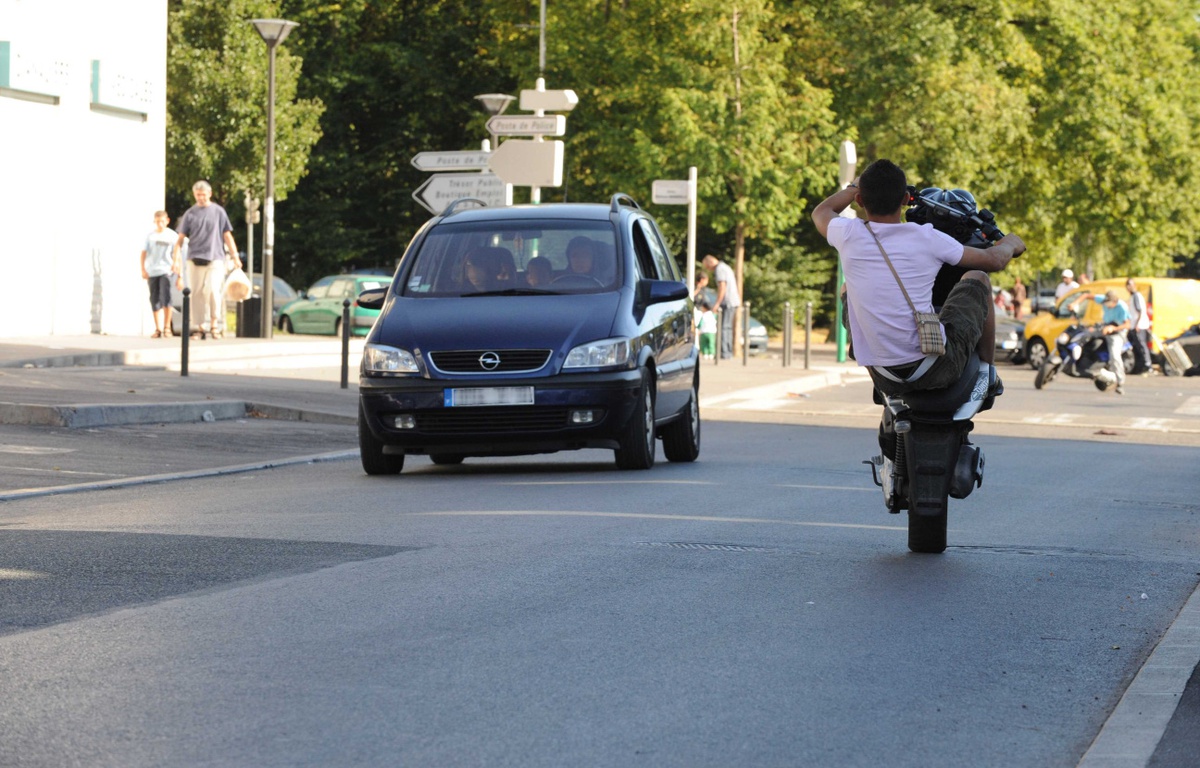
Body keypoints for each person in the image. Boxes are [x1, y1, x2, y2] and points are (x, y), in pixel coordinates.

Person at [811, 159, 1026, 396]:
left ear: (860, 200)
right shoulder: (926, 237)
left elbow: (821, 212)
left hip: (882, 375)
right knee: (978, 277)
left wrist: (853, 187)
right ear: (904, 200)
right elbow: (993, 260)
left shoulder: (847, 233)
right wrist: (1010, 244)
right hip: (936, 369)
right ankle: (988, 372)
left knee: (845, 289)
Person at [173, 181, 240, 340]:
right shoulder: (190, 213)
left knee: (212, 290)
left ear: (209, 194)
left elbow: (227, 235)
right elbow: (180, 238)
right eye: (198, 195)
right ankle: (200, 327)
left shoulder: (218, 212)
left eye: (203, 195)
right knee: (196, 293)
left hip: (215, 256)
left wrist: (235, 255)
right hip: (194, 257)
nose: (201, 198)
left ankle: (215, 325)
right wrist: (176, 259)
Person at [1070, 288, 1131, 394]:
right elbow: (1086, 295)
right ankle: (1084, 364)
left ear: (1114, 301)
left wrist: (1113, 328)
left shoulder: (1122, 307)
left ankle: (1120, 382)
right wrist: (1075, 303)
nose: (1105, 305)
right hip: (1104, 326)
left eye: (1108, 303)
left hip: (1117, 331)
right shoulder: (1103, 299)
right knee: (1086, 335)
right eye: (1105, 302)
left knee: (1115, 355)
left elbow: (1127, 325)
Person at [140, 210, 180, 338]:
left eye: (162, 221)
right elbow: (143, 253)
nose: (160, 224)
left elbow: (176, 252)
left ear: (167, 221)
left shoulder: (172, 235)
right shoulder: (150, 236)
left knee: (166, 298)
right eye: (157, 222)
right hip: (153, 271)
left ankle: (167, 327)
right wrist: (143, 269)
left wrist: (176, 265)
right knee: (154, 298)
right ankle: (158, 328)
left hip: (166, 270)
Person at [702, 253, 741, 359]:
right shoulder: (725, 267)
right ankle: (727, 352)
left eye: (707, 267)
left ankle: (724, 353)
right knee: (727, 327)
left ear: (710, 262)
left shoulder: (719, 269)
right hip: (733, 301)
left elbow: (722, 287)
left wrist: (717, 303)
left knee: (723, 327)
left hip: (727, 302)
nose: (708, 269)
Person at [1125, 278, 1153, 374]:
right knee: (1136, 346)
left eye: (1130, 285)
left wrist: (1137, 324)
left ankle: (1147, 364)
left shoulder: (1136, 296)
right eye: (1127, 285)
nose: (1129, 287)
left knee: (1141, 346)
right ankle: (1140, 366)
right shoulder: (1133, 297)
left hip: (1139, 326)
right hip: (1135, 325)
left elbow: (1140, 311)